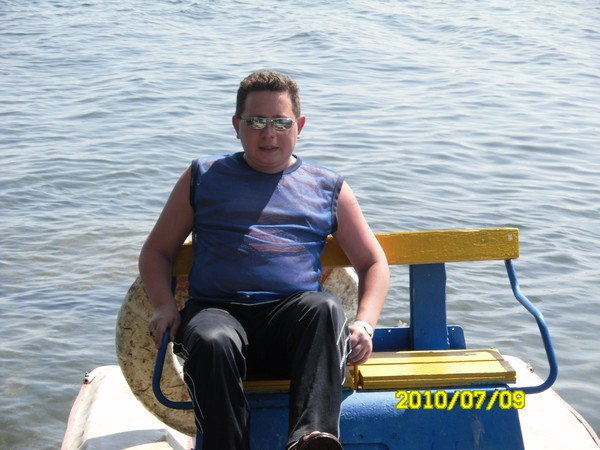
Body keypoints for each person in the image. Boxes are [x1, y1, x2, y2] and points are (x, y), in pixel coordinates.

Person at [139, 70, 389, 450]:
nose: (268, 133)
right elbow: (156, 251)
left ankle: (311, 439)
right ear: (236, 125)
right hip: (217, 317)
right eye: (256, 121)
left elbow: (372, 262)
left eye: (280, 122)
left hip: (292, 333)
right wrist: (163, 305)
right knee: (213, 339)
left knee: (323, 308)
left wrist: (365, 324)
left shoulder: (328, 187)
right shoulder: (202, 176)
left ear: (299, 126)